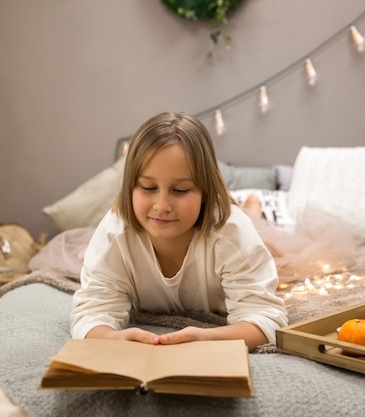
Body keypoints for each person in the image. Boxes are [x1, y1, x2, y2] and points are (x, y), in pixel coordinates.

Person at [70, 111, 287, 352]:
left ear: (205, 191)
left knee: (273, 250)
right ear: (130, 187)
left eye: (181, 190)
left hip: (232, 230)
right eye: (148, 187)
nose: (162, 206)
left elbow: (267, 318)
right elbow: (91, 313)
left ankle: (252, 209)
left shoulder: (232, 232)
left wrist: (208, 338)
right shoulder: (115, 233)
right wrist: (111, 340)